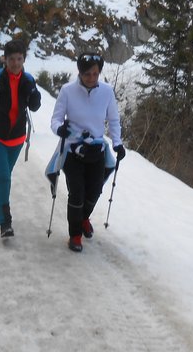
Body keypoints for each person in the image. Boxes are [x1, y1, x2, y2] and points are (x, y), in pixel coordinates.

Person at [47, 52, 126, 252]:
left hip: (97, 148)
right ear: (80, 73)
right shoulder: (67, 91)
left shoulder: (107, 92)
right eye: (87, 74)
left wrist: (117, 143)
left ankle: (83, 218)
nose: (91, 78)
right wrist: (59, 129)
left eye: (95, 74)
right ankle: (75, 235)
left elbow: (114, 120)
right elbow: (56, 119)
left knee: (95, 190)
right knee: (77, 192)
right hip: (72, 149)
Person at [0, 40, 41, 237]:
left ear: (24, 59)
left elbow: (35, 106)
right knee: (4, 176)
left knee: (4, 176)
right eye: (11, 59)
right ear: (5, 59)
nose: (15, 63)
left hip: (17, 138)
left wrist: (33, 92)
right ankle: (5, 222)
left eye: (19, 59)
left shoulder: (28, 80)